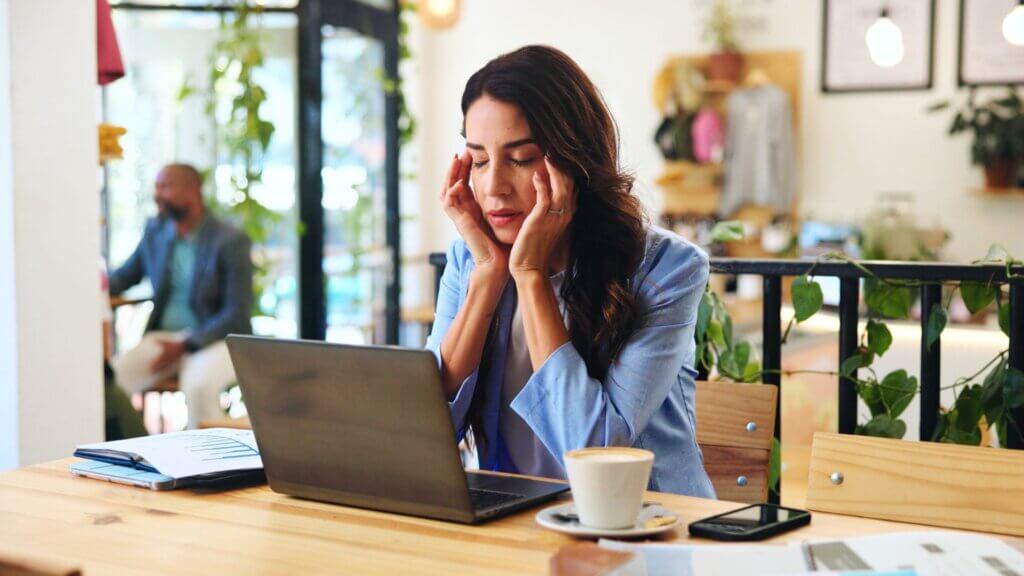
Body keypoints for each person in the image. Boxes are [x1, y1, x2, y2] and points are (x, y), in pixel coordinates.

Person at [426, 45, 715, 497]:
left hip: (646, 529)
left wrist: (529, 274)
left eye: (520, 158)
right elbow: (424, 436)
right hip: (518, 529)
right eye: (479, 160)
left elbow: (598, 452)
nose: (493, 186)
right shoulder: (469, 259)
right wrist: (487, 276)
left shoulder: (667, 269)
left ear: (574, 159)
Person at [109, 163, 253, 429]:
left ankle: (209, 464)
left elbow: (236, 313)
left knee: (198, 387)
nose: (158, 195)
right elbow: (125, 276)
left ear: (192, 191)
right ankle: (133, 454)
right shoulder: (156, 232)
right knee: (111, 381)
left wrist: (187, 343)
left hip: (215, 341)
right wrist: (91, 284)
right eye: (157, 187)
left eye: (166, 187)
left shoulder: (230, 241)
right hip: (165, 340)